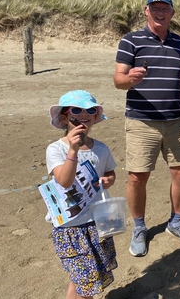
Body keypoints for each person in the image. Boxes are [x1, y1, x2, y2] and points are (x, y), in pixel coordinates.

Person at [113, 0, 180, 257]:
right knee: (138, 176)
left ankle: (176, 221)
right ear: (146, 11)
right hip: (141, 121)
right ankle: (139, 227)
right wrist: (130, 79)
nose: (160, 12)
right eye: (155, 7)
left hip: (176, 119)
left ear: (172, 13)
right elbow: (118, 80)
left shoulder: (178, 42)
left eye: (165, 8)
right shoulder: (131, 40)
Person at [46, 90, 118, 299]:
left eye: (91, 110)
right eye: (77, 109)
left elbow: (110, 172)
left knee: (85, 280)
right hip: (70, 228)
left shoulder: (102, 149)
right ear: (64, 116)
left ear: (96, 116)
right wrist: (73, 151)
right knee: (85, 283)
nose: (84, 114)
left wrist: (109, 180)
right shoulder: (56, 149)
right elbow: (64, 181)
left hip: (97, 223)